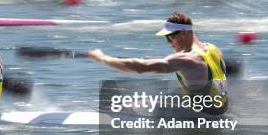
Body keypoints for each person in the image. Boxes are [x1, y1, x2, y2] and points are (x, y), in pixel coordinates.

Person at [88, 11, 227, 114]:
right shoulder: (214, 48)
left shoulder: (186, 59)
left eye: (170, 37)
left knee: (128, 105)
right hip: (221, 109)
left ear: (184, 33)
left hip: (201, 116)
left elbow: (141, 68)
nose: (169, 42)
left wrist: (103, 58)